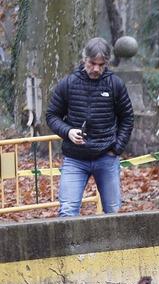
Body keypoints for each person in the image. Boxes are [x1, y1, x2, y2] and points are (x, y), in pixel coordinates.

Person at [46, 38, 134, 217]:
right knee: (67, 211)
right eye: (92, 63)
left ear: (107, 63)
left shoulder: (115, 84)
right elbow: (52, 115)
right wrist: (68, 132)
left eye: (101, 65)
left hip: (106, 157)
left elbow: (127, 118)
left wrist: (117, 148)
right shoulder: (68, 83)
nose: (96, 69)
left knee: (114, 212)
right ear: (84, 59)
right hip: (75, 159)